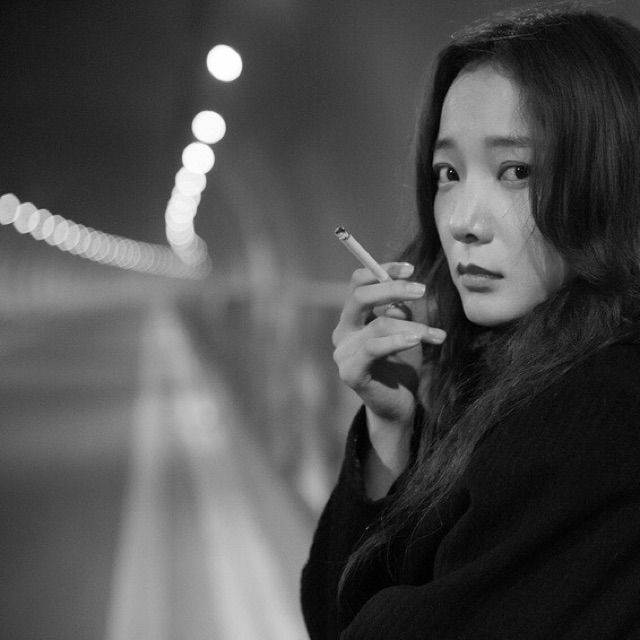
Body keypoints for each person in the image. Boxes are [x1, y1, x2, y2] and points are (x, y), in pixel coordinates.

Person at [300, 5, 640, 639]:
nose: (462, 221)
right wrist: (391, 424)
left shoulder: (601, 410)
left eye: (517, 171)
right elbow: (333, 613)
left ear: (612, 177)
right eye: (448, 174)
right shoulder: (499, 373)